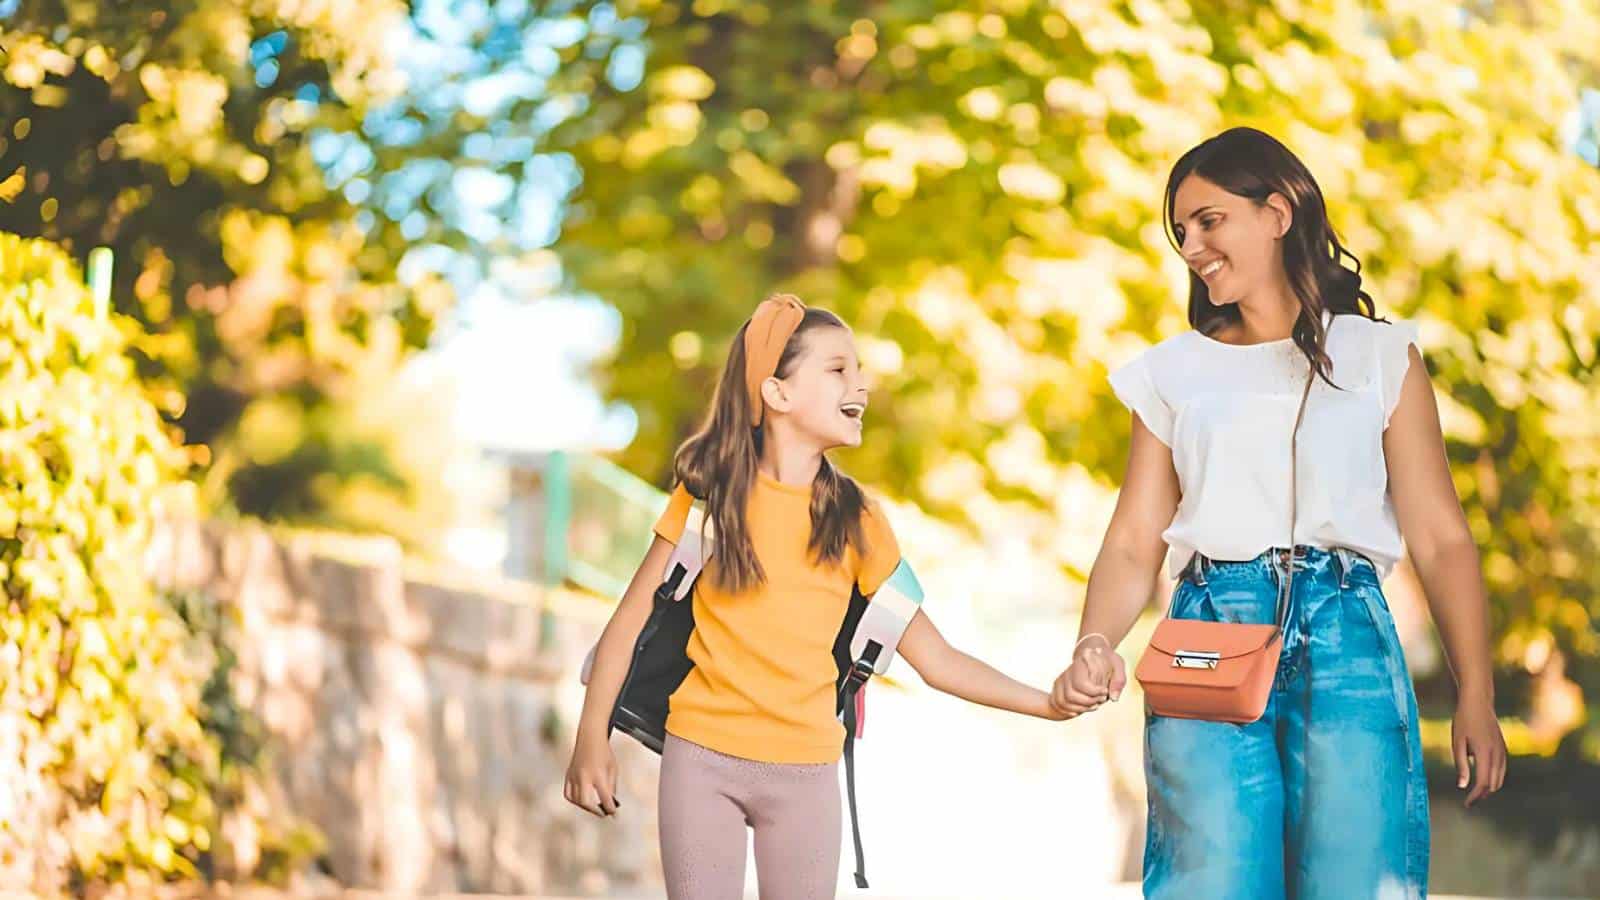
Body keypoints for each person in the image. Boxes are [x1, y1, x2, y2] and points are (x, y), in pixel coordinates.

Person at [1052, 127, 1507, 899]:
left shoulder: (1380, 356)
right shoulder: (1172, 373)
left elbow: (1441, 538)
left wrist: (1478, 692)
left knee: (1359, 878)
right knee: (1211, 878)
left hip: (1349, 630)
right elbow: (1133, 542)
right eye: (1181, 231)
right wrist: (1094, 642)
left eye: (1208, 219)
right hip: (1208, 630)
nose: (1191, 244)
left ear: (1278, 212)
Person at [568, 294, 1071, 900]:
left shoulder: (860, 521)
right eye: (838, 369)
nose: (861, 382)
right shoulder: (708, 497)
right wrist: (589, 740)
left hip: (806, 775)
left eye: (858, 369)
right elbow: (630, 620)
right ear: (776, 393)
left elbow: (936, 660)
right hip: (700, 760)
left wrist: (1046, 703)